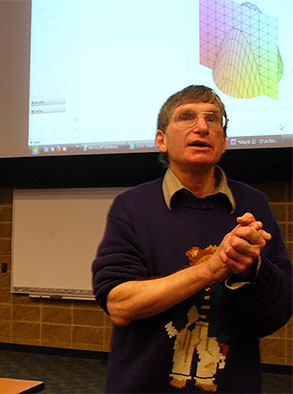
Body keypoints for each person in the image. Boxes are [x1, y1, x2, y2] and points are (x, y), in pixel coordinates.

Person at [92, 85, 292, 393]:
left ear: (223, 141)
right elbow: (120, 305)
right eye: (186, 117)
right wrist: (213, 268)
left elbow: (276, 314)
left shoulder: (253, 204)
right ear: (161, 140)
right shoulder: (131, 206)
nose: (202, 127)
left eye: (214, 119)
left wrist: (251, 271)